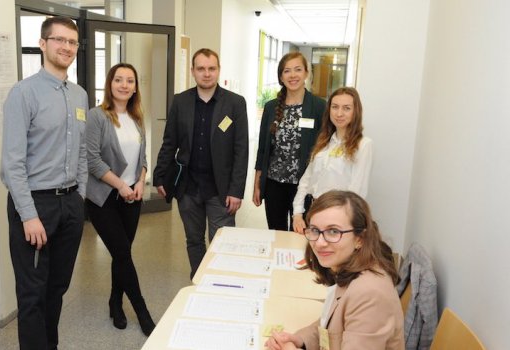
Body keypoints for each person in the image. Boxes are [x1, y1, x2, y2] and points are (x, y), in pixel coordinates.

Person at [0, 16, 87, 350]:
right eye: (59, 40)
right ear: (43, 43)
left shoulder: (78, 96)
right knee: (33, 294)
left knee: (57, 289)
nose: (66, 47)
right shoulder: (24, 94)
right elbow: (12, 163)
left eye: (72, 42)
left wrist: (78, 198)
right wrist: (29, 214)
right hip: (34, 205)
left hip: (69, 205)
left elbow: (79, 154)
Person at [153, 48, 249, 279]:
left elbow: (241, 150)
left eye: (211, 68)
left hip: (221, 189)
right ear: (193, 71)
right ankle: (199, 280)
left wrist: (236, 190)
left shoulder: (235, 103)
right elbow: (169, 142)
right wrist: (159, 175)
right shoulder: (180, 101)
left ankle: (221, 283)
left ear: (218, 70)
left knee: (223, 241)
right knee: (194, 240)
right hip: (189, 188)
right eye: (201, 69)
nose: (207, 74)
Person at [266, 190, 404, 350]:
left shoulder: (370, 293)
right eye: (315, 230)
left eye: (333, 231)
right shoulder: (347, 267)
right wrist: (299, 340)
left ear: (360, 239)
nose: (319, 243)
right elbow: (330, 325)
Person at [85, 63, 156, 336]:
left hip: (132, 197)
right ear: (110, 84)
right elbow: (93, 160)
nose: (124, 85)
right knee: (123, 253)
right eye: (118, 80)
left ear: (135, 86)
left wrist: (139, 182)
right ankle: (142, 311)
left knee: (120, 254)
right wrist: (120, 186)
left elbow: (143, 158)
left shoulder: (137, 118)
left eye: (129, 81)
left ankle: (115, 302)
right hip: (104, 198)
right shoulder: (97, 116)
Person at [253, 52, 326, 231]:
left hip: (304, 187)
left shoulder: (319, 106)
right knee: (277, 234)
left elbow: (325, 148)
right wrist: (257, 185)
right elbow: (262, 149)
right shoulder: (271, 107)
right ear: (280, 76)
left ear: (306, 73)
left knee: (302, 236)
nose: (293, 75)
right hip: (274, 185)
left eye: (298, 70)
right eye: (287, 71)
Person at [292, 87, 373, 234]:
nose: (339, 113)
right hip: (314, 212)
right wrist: (297, 213)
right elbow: (306, 180)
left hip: (340, 220)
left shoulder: (363, 145)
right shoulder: (324, 142)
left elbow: (357, 192)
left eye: (346, 108)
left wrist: (341, 225)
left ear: (356, 111)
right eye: (335, 107)